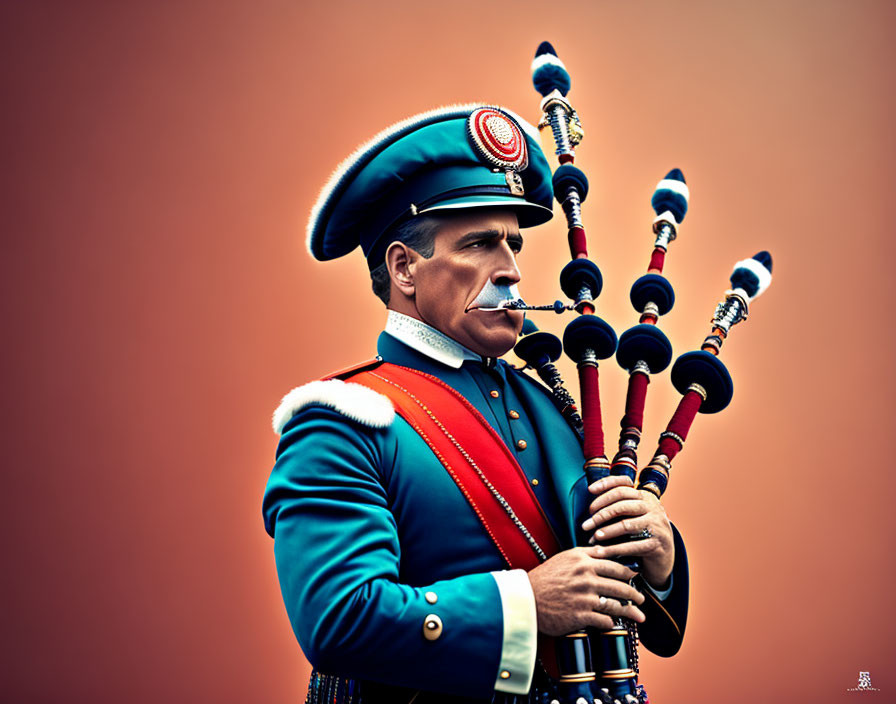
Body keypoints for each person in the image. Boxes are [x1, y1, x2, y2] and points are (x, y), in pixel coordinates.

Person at [262, 105, 688, 704]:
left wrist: (661, 557)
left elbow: (626, 613)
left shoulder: (551, 403)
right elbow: (338, 618)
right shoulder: (340, 420)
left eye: (513, 244)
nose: (512, 270)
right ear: (404, 267)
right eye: (480, 244)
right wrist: (523, 605)